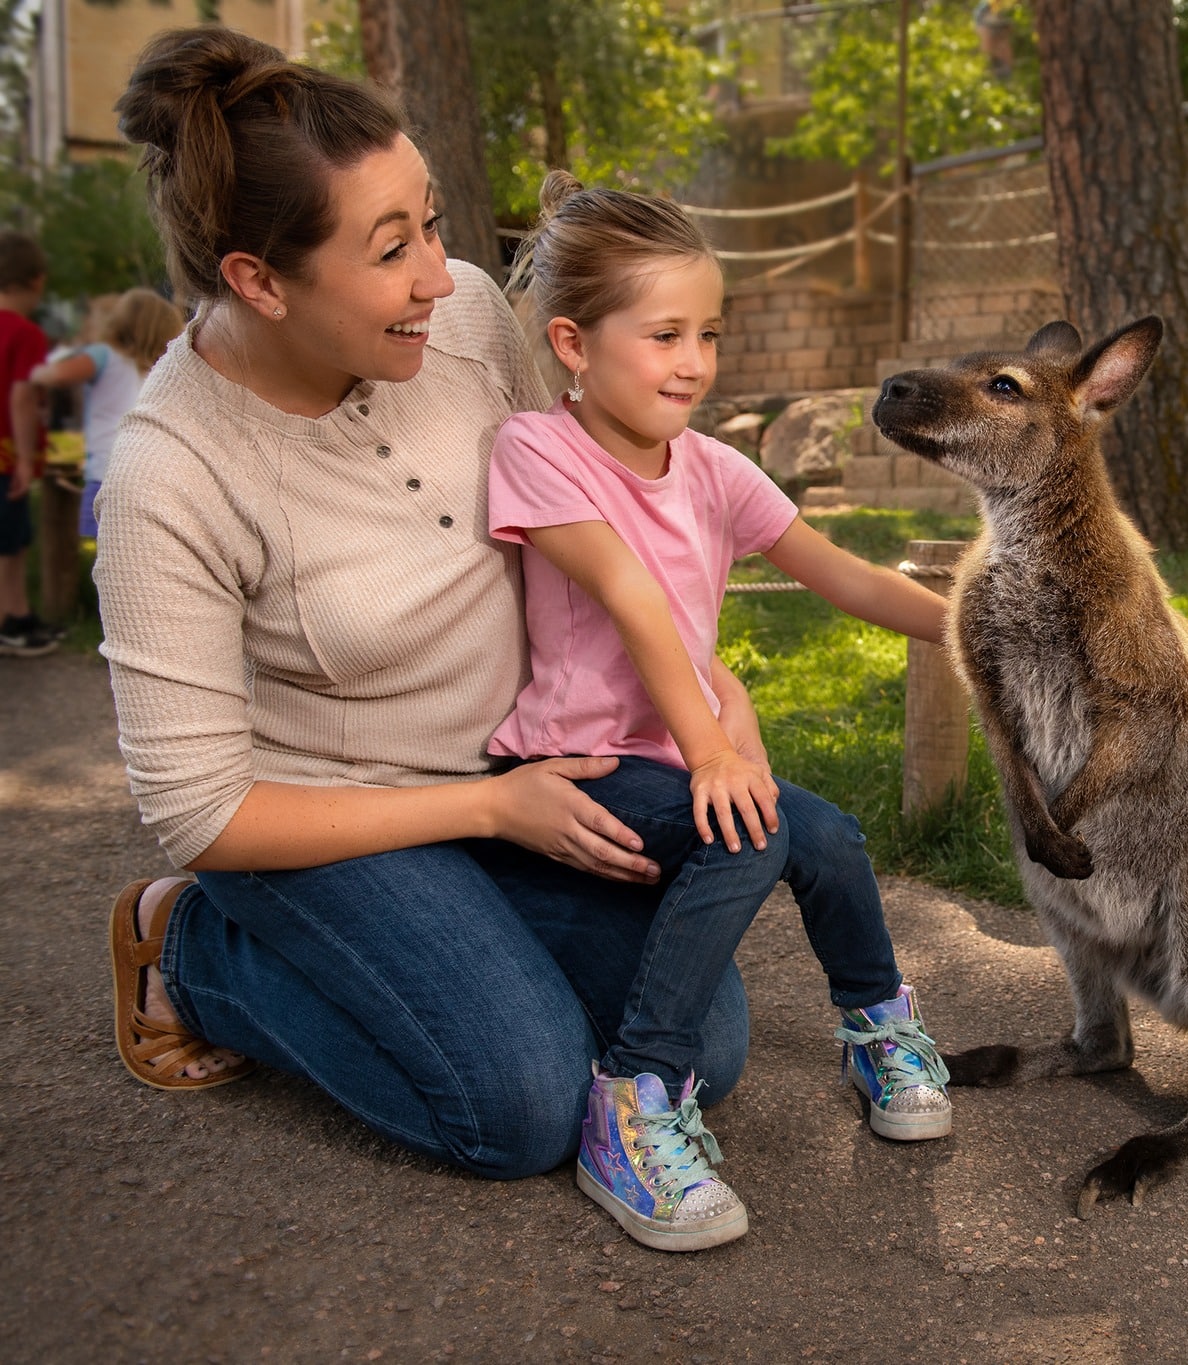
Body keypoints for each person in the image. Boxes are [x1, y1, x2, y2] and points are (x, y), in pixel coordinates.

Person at [97, 26, 778, 1188]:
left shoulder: (460, 317)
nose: (437, 272)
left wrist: (716, 702)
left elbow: (596, 522)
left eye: (432, 223)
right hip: (330, 823)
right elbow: (204, 811)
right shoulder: (171, 476)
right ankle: (196, 953)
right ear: (258, 281)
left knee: (704, 1052)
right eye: (388, 248)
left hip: (526, 779)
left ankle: (468, 964)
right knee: (514, 1110)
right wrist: (485, 813)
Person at [491, 170, 955, 1251]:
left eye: (706, 332)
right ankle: (632, 1098)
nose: (693, 362)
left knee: (828, 836)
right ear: (572, 343)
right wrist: (712, 750)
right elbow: (632, 598)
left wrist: (991, 631)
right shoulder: (536, 451)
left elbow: (842, 575)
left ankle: (877, 1025)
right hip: (582, 766)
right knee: (746, 830)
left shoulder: (710, 467)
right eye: (662, 335)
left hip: (673, 756)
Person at [30, 287, 186, 539]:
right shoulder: (167, 369)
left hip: (108, 472)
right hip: (154, 476)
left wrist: (35, 374)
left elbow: (56, 375)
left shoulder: (104, 356)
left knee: (105, 557)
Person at [0, 229, 58, 657]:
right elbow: (20, 396)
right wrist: (22, 460)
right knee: (11, 542)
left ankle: (16, 616)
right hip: (4, 457)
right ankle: (14, 619)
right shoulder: (25, 334)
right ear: (36, 280)